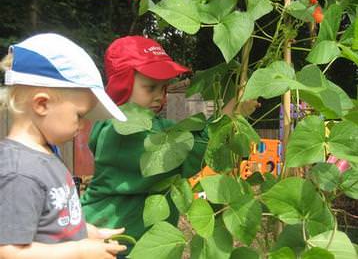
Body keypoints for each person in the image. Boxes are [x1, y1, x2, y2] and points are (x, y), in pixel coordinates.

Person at [81, 35, 260, 249]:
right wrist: (227, 118)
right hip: (102, 241)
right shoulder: (119, 131)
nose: (160, 97)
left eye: (163, 88)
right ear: (123, 85)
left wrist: (224, 119)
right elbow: (181, 156)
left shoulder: (153, 124)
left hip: (128, 244)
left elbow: (181, 135)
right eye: (150, 88)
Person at [0, 33, 129, 259]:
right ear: (42, 104)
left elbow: (53, 223)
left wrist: (89, 233)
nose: (83, 124)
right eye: (79, 115)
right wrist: (78, 252)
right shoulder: (19, 173)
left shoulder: (46, 155)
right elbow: (8, 252)